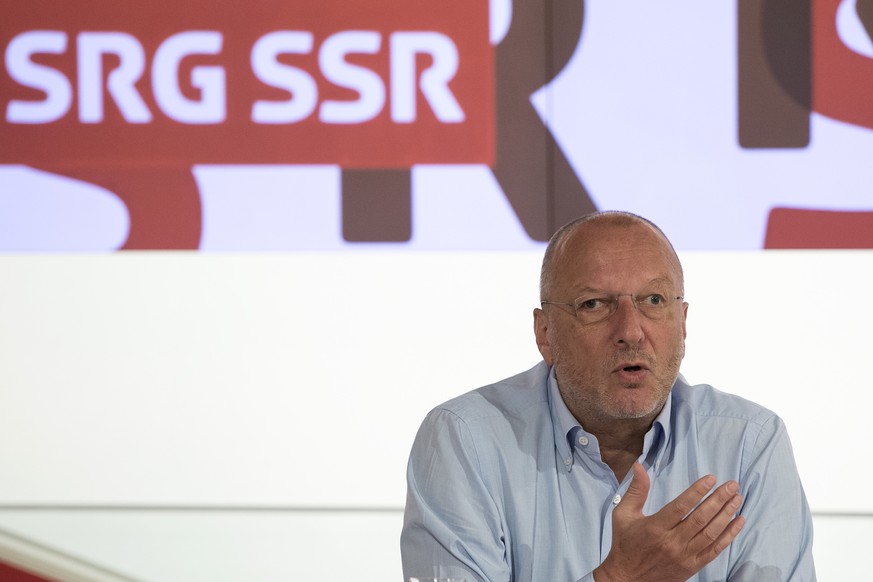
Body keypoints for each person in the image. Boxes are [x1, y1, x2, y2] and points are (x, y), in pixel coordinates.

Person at [400, 211, 815, 581]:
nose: (631, 331)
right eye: (594, 304)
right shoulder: (466, 440)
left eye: (653, 300)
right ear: (545, 334)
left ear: (683, 322)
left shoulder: (749, 446)